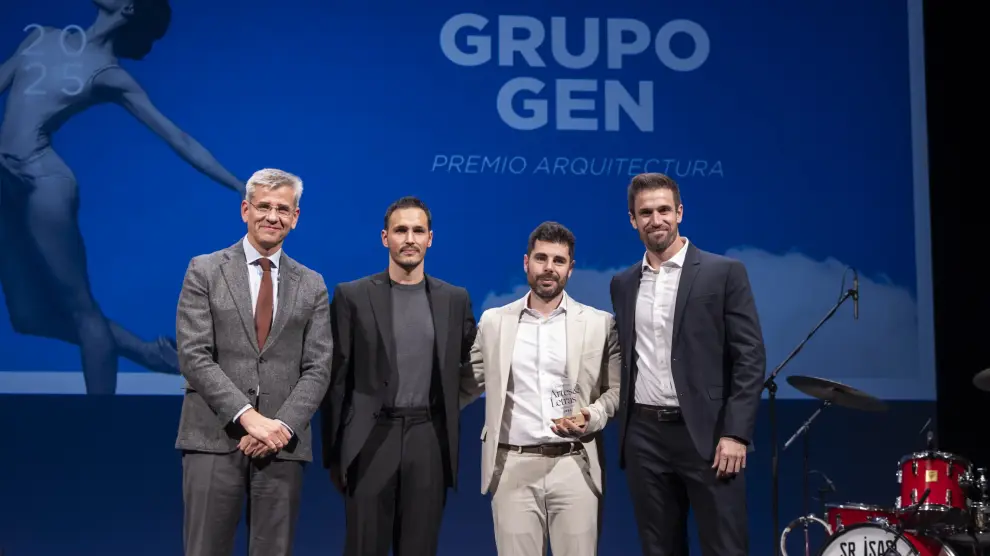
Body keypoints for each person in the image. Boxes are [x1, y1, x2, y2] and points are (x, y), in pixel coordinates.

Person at [0, 0, 244, 394]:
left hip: (42, 182)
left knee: (81, 309)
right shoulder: (40, 38)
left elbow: (178, 138)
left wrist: (240, 186)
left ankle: (101, 422)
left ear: (128, 8)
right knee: (28, 316)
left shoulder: (109, 75)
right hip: (4, 181)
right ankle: (147, 354)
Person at [174, 168, 332, 556]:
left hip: (282, 444)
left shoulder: (312, 284)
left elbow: (318, 366)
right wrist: (249, 418)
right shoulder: (204, 270)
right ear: (246, 209)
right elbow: (194, 355)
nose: (272, 216)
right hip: (213, 439)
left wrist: (280, 426)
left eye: (283, 209)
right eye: (263, 207)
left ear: (295, 217)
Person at [609, 173, 766, 556]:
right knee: (659, 549)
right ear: (632, 219)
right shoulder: (623, 283)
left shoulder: (723, 272)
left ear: (679, 212)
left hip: (710, 435)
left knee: (725, 548)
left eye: (664, 210)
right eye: (646, 212)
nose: (656, 220)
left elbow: (749, 357)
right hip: (645, 437)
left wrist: (736, 433)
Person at [320, 195, 477, 556]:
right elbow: (336, 379)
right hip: (370, 439)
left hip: (428, 439)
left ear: (430, 239)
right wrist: (335, 454)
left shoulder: (455, 300)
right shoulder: (352, 296)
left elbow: (475, 363)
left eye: (418, 231)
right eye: (400, 230)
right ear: (385, 237)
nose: (409, 239)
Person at [460, 221, 621, 556]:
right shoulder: (494, 322)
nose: (549, 268)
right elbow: (467, 384)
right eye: (541, 258)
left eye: (559, 260)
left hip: (574, 464)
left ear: (570, 268)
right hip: (512, 465)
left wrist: (591, 416)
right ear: (526, 262)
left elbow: (616, 391)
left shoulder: (599, 323)